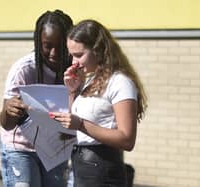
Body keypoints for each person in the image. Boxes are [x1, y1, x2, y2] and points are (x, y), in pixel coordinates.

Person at [50, 19, 147, 187]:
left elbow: (127, 139)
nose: (74, 62)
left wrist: (80, 124)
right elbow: (75, 126)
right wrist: (73, 91)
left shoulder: (120, 82)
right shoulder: (89, 80)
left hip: (103, 170)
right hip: (82, 167)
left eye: (79, 55)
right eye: (71, 55)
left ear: (98, 50)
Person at [0, 10, 73, 187]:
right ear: (38, 43)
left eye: (60, 45)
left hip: (55, 150)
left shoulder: (74, 70)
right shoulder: (23, 70)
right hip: (21, 148)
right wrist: (9, 110)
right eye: (47, 46)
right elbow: (6, 123)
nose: (54, 53)